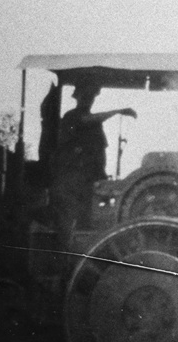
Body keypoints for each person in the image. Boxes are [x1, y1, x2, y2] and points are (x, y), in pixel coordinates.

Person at [51, 82, 137, 250]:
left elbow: (98, 150)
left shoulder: (93, 123)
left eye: (91, 97)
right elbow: (86, 120)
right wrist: (118, 111)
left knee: (90, 220)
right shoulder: (72, 117)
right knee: (71, 221)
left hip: (90, 178)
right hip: (73, 181)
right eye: (87, 96)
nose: (89, 100)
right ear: (79, 97)